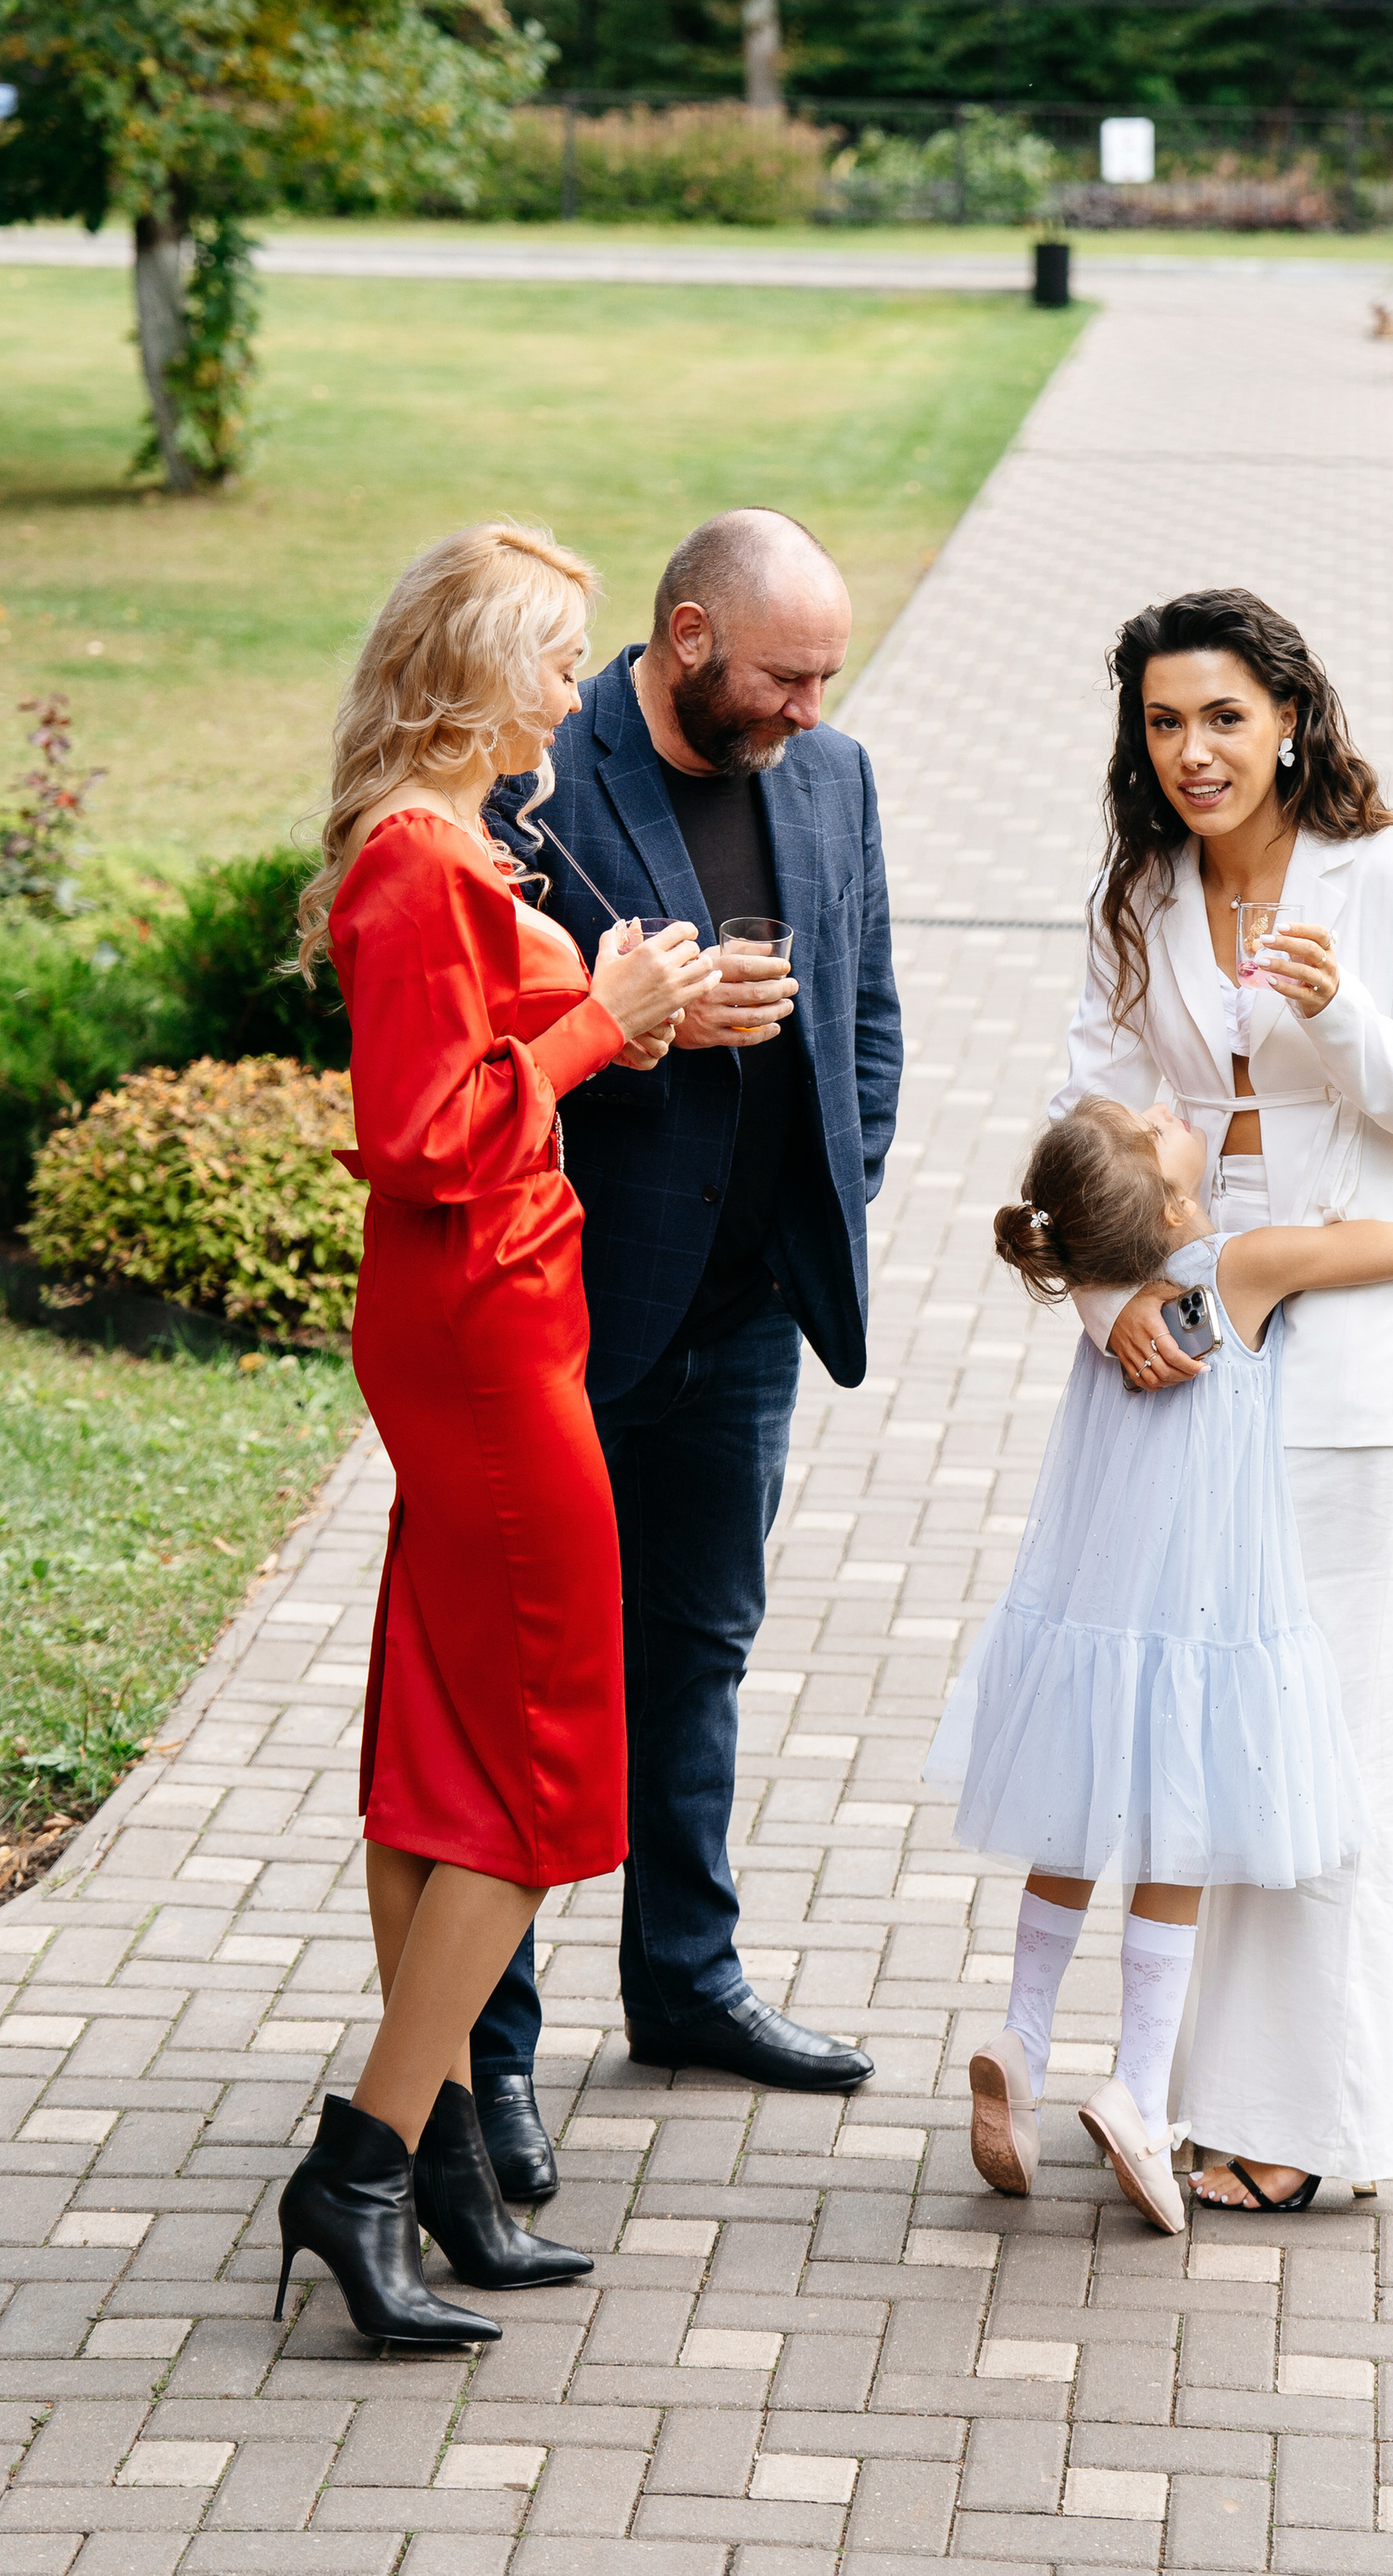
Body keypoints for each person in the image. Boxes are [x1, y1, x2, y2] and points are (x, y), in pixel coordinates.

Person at [279, 523, 712, 2347]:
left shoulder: (458, 852)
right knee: (539, 1776)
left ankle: (441, 2159)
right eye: (552, 660)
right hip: (481, 1346)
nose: (571, 690)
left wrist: (622, 1012)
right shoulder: (416, 865)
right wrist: (596, 1028)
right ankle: (364, 2160)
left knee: (445, 1737)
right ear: (472, 676)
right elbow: (424, 1140)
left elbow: (481, 1076)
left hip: (493, 1323)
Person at [466, 506, 902, 2185]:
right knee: (525, 1687)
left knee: (698, 1655)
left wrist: (822, 1207)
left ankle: (685, 1980)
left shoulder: (834, 776)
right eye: (787, 675)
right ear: (689, 637)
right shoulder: (529, 774)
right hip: (561, 1318)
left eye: (828, 678)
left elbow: (866, 1017)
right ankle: (485, 2049)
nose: (810, 708)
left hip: (745, 1320)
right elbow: (477, 1050)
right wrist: (632, 1030)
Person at [1053, 587, 1393, 2209]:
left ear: (1291, 716)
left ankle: (1301, 2128)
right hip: (1186, 1358)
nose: (1192, 752)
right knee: (1199, 1738)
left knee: (1321, 1748)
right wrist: (1105, 1309)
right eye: (1164, 722)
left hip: (1350, 1385)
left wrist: (1337, 1014)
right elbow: (1078, 1114)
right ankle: (1166, 2089)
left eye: (1223, 717)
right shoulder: (1143, 892)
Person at [927, 1094, 1393, 2233]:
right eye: (1154, 1124)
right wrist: (1390, 1165)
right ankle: (1135, 2080)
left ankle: (1021, 2035)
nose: (1167, 1104)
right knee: (1178, 1837)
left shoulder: (1114, 1306)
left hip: (1095, 1607)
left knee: (1073, 1825)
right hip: (1206, 1617)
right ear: (1178, 1200)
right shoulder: (1244, 1270)